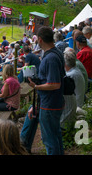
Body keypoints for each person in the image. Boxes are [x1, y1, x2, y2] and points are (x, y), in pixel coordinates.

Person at [20, 26, 65, 155]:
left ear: (40, 40)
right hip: (52, 102)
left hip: (50, 104)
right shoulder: (55, 53)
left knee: (49, 140)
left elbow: (55, 84)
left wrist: (36, 86)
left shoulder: (50, 58)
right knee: (55, 136)